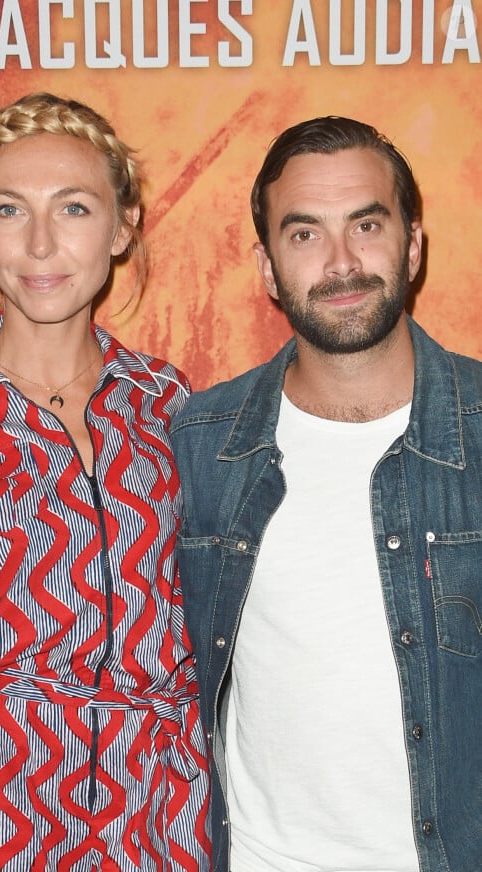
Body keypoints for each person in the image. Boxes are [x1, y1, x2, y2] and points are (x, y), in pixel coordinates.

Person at [0, 93, 211, 871]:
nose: (41, 244)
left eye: (73, 208)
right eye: (10, 210)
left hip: (164, 809)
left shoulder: (173, 407)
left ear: (122, 225)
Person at [169, 118, 481, 871]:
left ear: (412, 244)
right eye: (305, 235)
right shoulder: (198, 442)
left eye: (366, 225)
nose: (342, 264)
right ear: (268, 268)